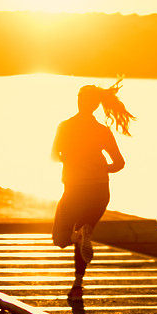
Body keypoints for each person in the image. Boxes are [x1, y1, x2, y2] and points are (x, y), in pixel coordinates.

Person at [52, 79, 134, 301]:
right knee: (81, 234)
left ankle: (77, 234)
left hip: (74, 189)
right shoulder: (102, 131)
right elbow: (119, 163)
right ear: (96, 106)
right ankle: (77, 286)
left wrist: (68, 159)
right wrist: (101, 168)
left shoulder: (65, 126)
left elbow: (53, 155)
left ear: (80, 103)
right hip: (100, 191)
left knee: (61, 237)